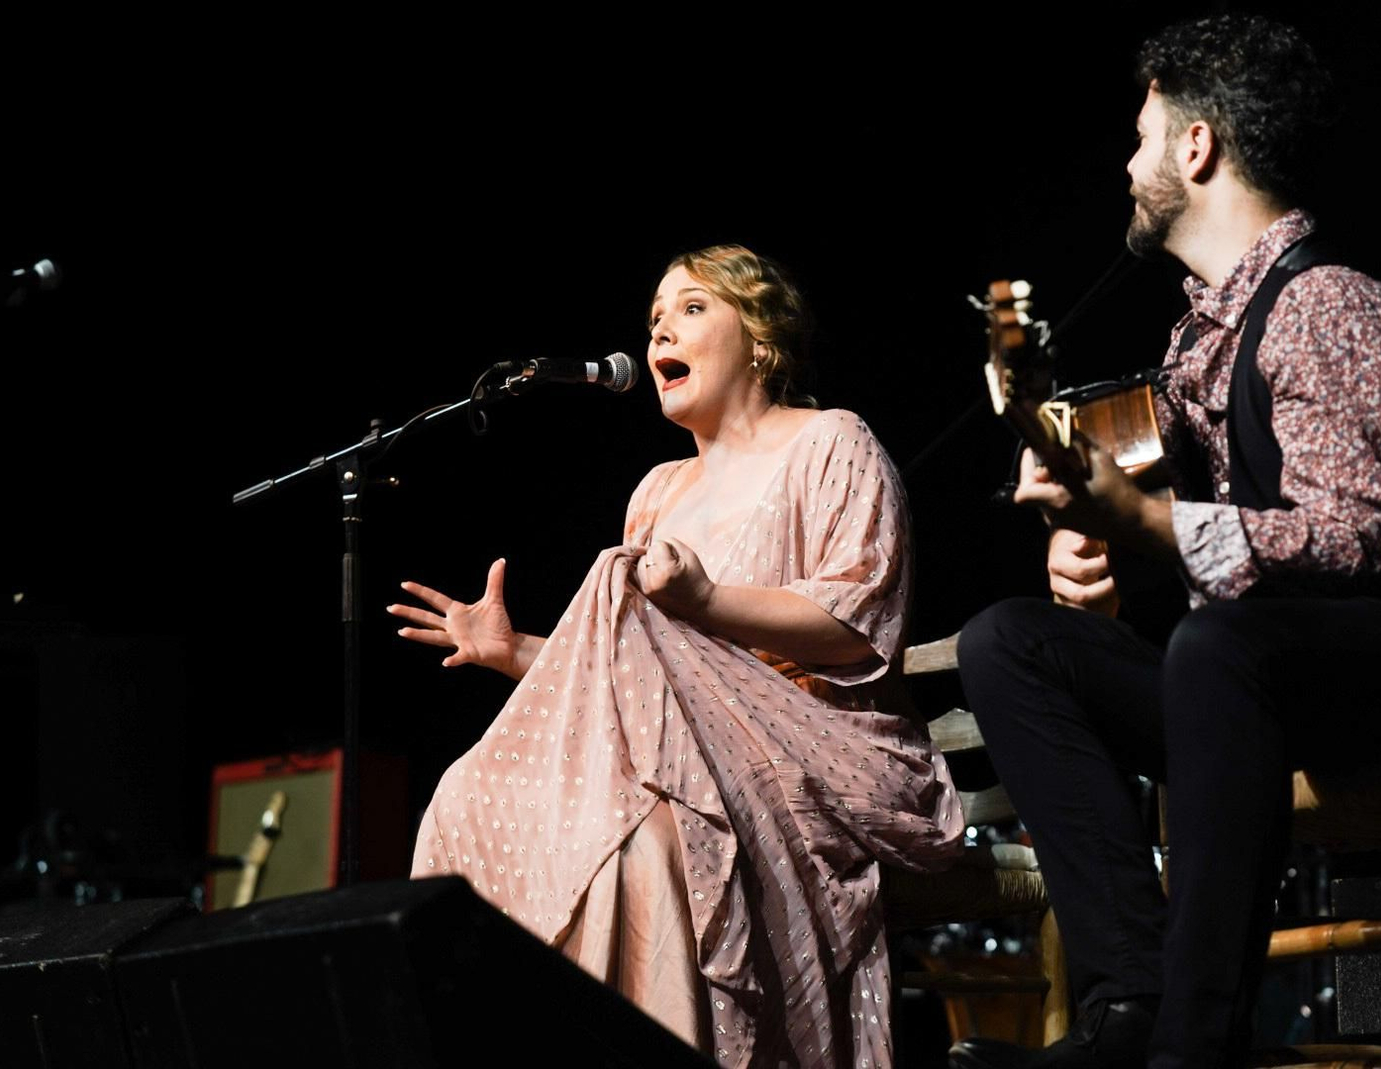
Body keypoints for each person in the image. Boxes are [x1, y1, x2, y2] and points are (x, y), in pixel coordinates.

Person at [950, 15, 1381, 1069]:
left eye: (1142, 139)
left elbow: (1357, 541)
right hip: (1281, 685)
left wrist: (1145, 521)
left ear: (1196, 148)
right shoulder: (1195, 344)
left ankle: (1192, 1044)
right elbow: (1204, 549)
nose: (1129, 165)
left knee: (1220, 649)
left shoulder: (1328, 305)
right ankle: (1132, 1003)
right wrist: (1094, 548)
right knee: (1011, 642)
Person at [392, 245, 964, 1068]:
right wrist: (517, 649)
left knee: (644, 834)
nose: (661, 326)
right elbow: (633, 670)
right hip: (685, 758)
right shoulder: (658, 492)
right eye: (656, 315)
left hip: (817, 753)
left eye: (692, 307)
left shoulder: (831, 442)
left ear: (761, 337)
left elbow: (859, 623)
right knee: (459, 800)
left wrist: (704, 601)